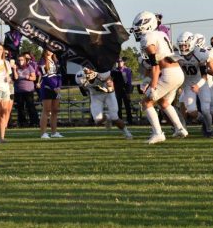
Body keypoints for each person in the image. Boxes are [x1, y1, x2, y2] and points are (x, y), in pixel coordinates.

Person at [132, 11, 187, 144]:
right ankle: (180, 129)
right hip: (177, 72)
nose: (137, 29)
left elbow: (155, 67)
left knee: (146, 102)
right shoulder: (160, 34)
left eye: (139, 25)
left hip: (168, 74)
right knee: (163, 102)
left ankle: (158, 133)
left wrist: (153, 86)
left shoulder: (148, 38)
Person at [76, 67, 133, 138]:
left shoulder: (103, 74)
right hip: (95, 96)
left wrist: (103, 89)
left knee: (114, 117)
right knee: (97, 120)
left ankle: (127, 133)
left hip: (108, 94)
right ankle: (107, 117)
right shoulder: (80, 76)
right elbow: (83, 89)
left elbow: (111, 88)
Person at [38, 49, 63, 139]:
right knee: (46, 110)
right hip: (47, 88)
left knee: (55, 110)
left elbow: (59, 75)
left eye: (51, 49)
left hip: (56, 88)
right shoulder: (42, 61)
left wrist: (59, 86)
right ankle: (43, 133)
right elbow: (45, 77)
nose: (50, 51)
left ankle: (54, 132)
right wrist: (54, 88)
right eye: (48, 49)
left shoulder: (56, 61)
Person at [13, 54, 39, 127]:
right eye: (19, 60)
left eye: (22, 60)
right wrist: (14, 69)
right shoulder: (16, 68)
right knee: (20, 108)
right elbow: (15, 78)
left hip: (28, 90)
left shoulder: (29, 67)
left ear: (25, 60)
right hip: (19, 90)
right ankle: (22, 123)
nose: (20, 61)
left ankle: (34, 122)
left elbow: (34, 78)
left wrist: (29, 77)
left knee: (30, 107)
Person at [111, 58, 134, 124]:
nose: (119, 63)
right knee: (118, 106)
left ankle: (130, 120)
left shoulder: (127, 70)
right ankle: (119, 120)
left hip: (125, 90)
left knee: (128, 106)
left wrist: (128, 92)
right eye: (118, 62)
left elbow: (129, 82)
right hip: (117, 90)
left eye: (120, 62)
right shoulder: (114, 71)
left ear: (123, 62)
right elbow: (112, 80)